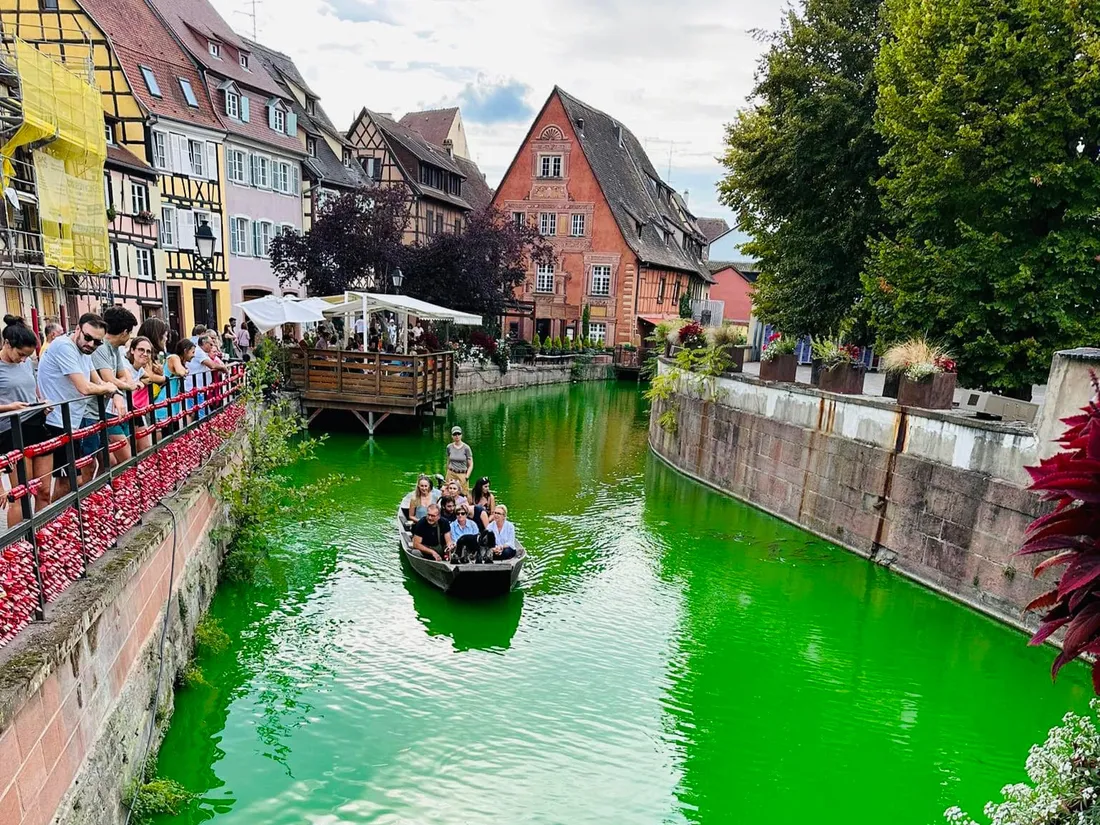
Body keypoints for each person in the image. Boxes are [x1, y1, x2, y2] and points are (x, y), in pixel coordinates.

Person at [37, 312, 117, 492]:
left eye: (97, 342)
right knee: (67, 482)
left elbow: (97, 381)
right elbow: (85, 387)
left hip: (71, 421)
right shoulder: (65, 346)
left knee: (73, 480)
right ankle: (56, 519)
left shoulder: (85, 350)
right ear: (78, 329)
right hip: (56, 421)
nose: (91, 344)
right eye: (88, 338)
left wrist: (113, 390)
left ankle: (66, 517)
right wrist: (109, 389)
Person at [0, 316, 52, 522]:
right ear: (7, 344)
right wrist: (8, 408)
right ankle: (18, 548)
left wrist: (41, 404)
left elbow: (31, 391)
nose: (23, 359)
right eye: (21, 354)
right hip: (11, 428)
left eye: (27, 356)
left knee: (44, 491)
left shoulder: (27, 363)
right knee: (21, 494)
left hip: (36, 423)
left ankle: (45, 539)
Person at [92, 306, 140, 466]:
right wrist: (129, 386)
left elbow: (122, 374)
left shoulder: (116, 349)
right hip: (101, 410)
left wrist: (126, 383)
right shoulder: (100, 348)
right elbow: (109, 378)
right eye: (130, 332)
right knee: (123, 459)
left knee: (110, 463)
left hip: (111, 408)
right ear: (125, 332)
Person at [126, 336, 164, 452]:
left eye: (148, 351)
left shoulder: (140, 369)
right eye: (141, 350)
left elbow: (149, 377)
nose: (145, 354)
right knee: (128, 451)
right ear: (132, 350)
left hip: (135, 408)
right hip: (122, 410)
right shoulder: (126, 367)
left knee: (144, 447)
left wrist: (142, 382)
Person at [188, 333, 229, 419]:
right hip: (195, 388)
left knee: (194, 413)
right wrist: (223, 368)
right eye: (210, 344)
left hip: (199, 388)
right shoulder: (199, 351)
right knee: (201, 415)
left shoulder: (202, 352)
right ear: (204, 343)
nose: (212, 346)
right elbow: (212, 365)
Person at [164, 338, 193, 423]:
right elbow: (181, 372)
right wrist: (186, 370)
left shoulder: (179, 361)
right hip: (164, 399)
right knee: (164, 428)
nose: (194, 355)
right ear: (185, 351)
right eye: (192, 352)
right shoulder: (174, 357)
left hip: (172, 400)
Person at [445, 426, 473, 495]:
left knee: (463, 493)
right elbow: (448, 460)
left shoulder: (466, 448)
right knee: (449, 493)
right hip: (451, 473)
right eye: (455, 434)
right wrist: (447, 472)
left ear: (461, 435)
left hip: (462, 473)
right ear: (452, 436)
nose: (457, 436)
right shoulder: (449, 447)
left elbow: (471, 464)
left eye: (458, 434)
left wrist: (467, 476)